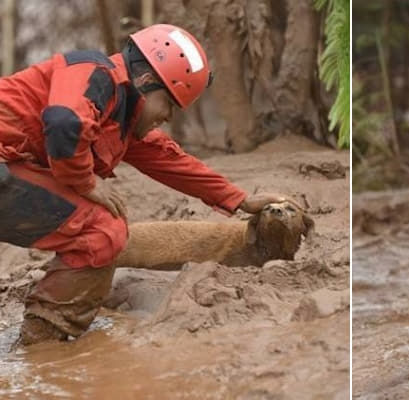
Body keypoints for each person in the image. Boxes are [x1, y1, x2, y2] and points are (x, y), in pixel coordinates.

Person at [0, 24, 290, 345]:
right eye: (168, 103)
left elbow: (174, 163)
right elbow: (64, 122)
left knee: (103, 228)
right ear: (146, 80)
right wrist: (84, 181)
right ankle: (43, 346)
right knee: (100, 231)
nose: (167, 116)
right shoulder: (94, 72)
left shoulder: (120, 116)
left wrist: (241, 200)